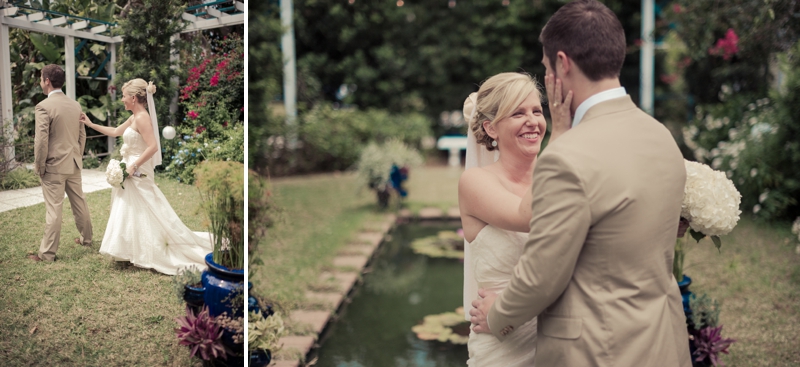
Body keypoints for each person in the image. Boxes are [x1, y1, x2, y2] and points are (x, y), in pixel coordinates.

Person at [469, 1, 693, 366]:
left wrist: (497, 316)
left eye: (545, 68)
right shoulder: (661, 136)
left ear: (563, 63)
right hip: (662, 343)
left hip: (596, 350)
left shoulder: (566, 157)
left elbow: (542, 276)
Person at [459, 72, 572, 366]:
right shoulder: (474, 183)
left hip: (564, 339)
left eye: (537, 110)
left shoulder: (564, 178)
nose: (533, 121)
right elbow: (531, 215)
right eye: (518, 113)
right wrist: (559, 135)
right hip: (504, 347)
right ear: (491, 128)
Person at [80, 79, 211, 275]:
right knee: (130, 208)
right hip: (130, 167)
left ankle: (154, 249)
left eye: (124, 96)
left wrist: (133, 166)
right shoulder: (134, 117)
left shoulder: (142, 118)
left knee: (148, 208)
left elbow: (153, 146)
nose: (122, 100)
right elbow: (116, 132)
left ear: (133, 98)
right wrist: (90, 124)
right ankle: (131, 250)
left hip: (138, 170)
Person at [30, 64, 94, 262]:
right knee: (79, 202)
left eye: (41, 79)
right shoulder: (75, 105)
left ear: (47, 81)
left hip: (54, 166)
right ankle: (87, 240)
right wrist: (77, 156)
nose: (41, 82)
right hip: (73, 163)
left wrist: (40, 165)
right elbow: (82, 135)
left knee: (54, 208)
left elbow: (41, 141)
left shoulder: (43, 106)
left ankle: (47, 253)